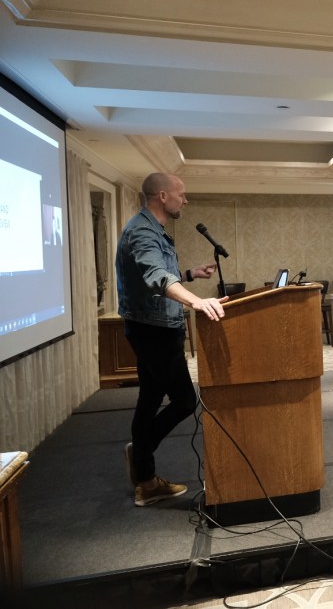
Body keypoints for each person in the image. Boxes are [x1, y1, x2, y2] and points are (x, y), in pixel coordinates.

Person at [116, 173, 226, 507]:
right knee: (183, 401)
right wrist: (196, 300)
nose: (185, 200)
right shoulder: (142, 232)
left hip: (153, 325)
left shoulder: (151, 229)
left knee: (149, 399)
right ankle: (142, 454)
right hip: (154, 330)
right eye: (182, 194)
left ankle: (147, 479)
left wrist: (190, 275)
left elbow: (158, 275)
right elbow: (156, 276)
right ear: (162, 196)